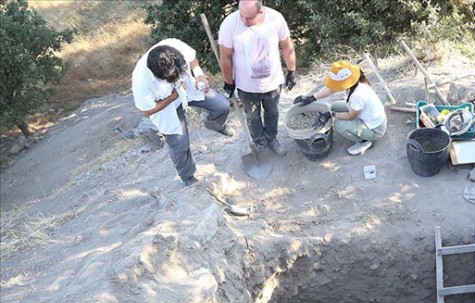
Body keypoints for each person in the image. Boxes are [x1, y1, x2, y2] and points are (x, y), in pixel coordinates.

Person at [131, 38, 233, 186]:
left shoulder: (174, 45)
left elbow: (192, 59)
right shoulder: (142, 82)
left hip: (188, 88)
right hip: (165, 106)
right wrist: (174, 97)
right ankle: (188, 176)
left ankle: (215, 125)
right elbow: (147, 111)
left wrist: (199, 75)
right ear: (159, 75)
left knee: (221, 106)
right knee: (179, 144)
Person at [219, 0, 297, 156]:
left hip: (272, 82)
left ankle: (271, 138)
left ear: (261, 11)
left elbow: (287, 46)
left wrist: (291, 70)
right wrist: (229, 82)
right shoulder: (229, 24)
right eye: (241, 15)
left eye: (249, 18)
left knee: (272, 112)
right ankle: (259, 142)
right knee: (252, 116)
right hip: (246, 86)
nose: (244, 21)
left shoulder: (275, 18)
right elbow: (225, 56)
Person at [293, 60, 387, 156]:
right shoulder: (357, 82)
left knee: (338, 124)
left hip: (374, 129)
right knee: (334, 106)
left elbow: (351, 116)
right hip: (367, 116)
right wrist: (312, 98)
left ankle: (365, 141)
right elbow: (331, 90)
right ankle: (357, 132)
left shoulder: (357, 95)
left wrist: (331, 115)